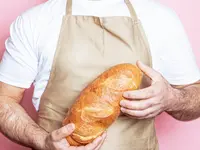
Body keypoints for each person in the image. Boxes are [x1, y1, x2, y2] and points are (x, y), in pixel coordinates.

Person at [0, 0, 199, 149]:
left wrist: (172, 99)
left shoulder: (161, 18)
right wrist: (42, 141)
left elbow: (196, 96)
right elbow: (3, 100)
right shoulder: (35, 21)